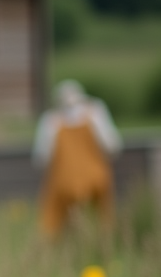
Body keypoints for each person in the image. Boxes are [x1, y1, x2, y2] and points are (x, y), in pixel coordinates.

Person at [33, 79, 122, 237]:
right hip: (96, 179)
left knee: (56, 224)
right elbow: (113, 146)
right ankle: (104, 242)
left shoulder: (50, 121)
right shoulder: (95, 112)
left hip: (63, 181)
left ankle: (62, 245)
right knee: (103, 220)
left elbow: (41, 158)